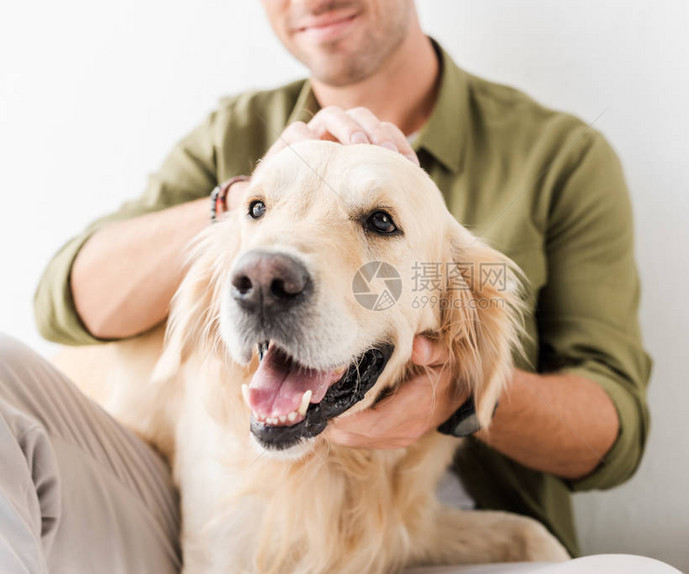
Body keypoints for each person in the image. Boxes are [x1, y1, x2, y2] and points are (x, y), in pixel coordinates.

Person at [3, 0, 653, 570]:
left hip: (426, 528)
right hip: (168, 513)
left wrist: (459, 393)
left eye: (378, 221)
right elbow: (62, 300)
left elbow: (612, 438)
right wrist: (241, 203)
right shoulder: (233, 133)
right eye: (263, 213)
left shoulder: (559, 157)